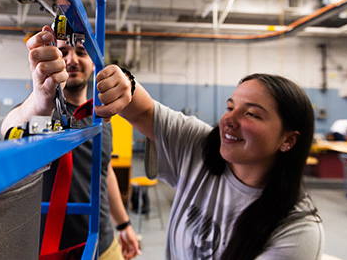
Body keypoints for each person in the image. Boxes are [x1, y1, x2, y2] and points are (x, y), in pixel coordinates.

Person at [94, 70, 325, 259]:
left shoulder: (298, 231)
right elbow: (142, 110)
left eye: (252, 114)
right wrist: (123, 82)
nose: (228, 121)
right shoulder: (200, 146)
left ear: (288, 140)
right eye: (230, 107)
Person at [0, 26, 140, 259]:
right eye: (63, 52)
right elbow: (10, 129)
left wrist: (123, 224)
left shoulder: (102, 117)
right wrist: (40, 99)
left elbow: (104, 172)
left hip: (102, 244)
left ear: (94, 63)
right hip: (51, 250)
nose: (72, 59)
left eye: (81, 53)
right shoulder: (42, 113)